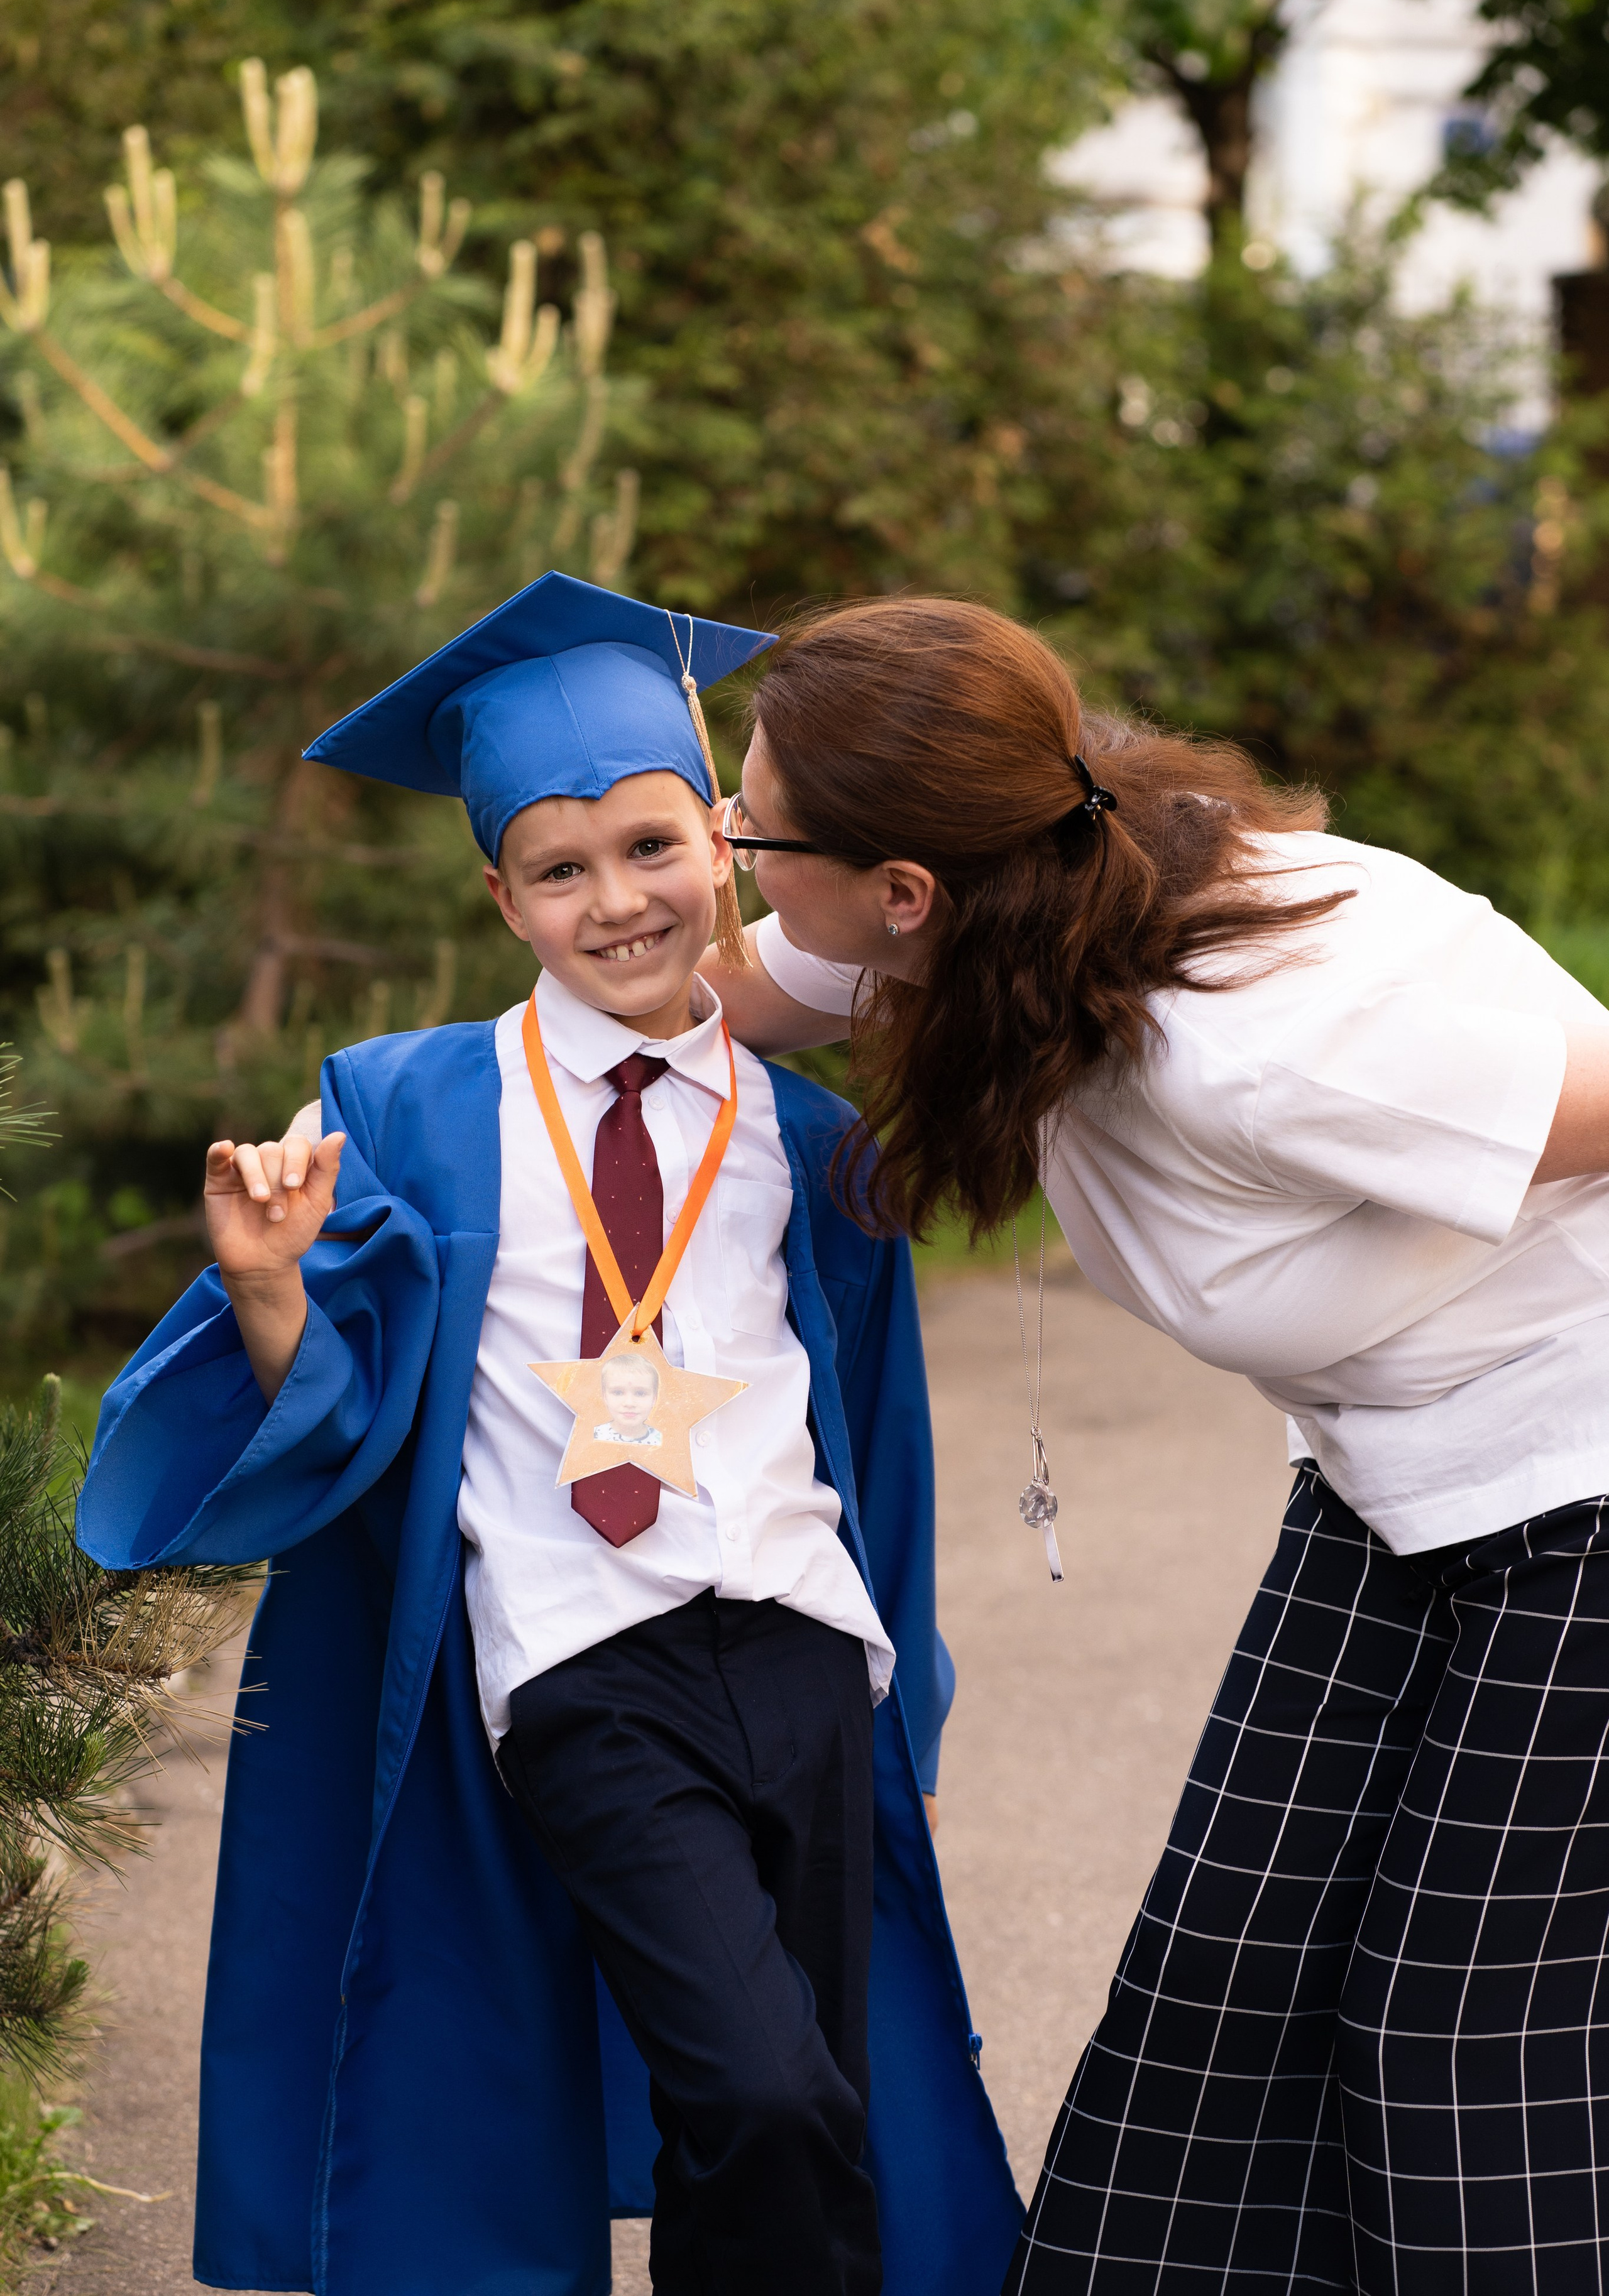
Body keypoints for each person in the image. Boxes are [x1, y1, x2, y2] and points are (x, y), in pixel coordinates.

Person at [75, 575, 1023, 2296]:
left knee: (812, 2098)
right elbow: (336, 1413)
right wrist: (274, 1292)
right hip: (583, 1663)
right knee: (758, 2079)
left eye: (652, 847)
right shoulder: (405, 1106)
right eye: (561, 867)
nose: (617, 899)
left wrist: (918, 1715)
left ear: (723, 848)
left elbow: (878, 1450)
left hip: (806, 1651)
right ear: (497, 893)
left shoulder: (810, 1142)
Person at [698, 593, 1609, 2294]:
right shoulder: (1011, 881)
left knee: (1451, 2029)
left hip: (1587, 1473)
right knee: (1224, 1981)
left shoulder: (1267, 1039)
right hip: (1397, 1475)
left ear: (902, 891)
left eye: (747, 830)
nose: (731, 858)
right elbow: (710, 993)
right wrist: (397, 1117)